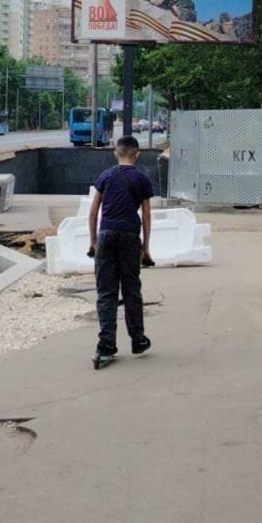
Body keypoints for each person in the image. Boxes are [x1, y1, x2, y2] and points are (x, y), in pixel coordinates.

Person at [84, 134, 155, 369]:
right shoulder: (142, 179)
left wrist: (93, 241)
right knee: (131, 290)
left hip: (106, 236)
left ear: (116, 153)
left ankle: (105, 346)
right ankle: (138, 340)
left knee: (106, 292)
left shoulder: (105, 176)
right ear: (137, 155)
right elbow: (146, 216)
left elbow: (93, 211)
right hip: (130, 237)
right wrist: (145, 248)